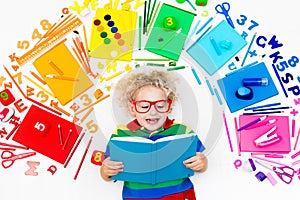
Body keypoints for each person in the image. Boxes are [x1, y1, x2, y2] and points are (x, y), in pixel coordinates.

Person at [100, 68, 208, 200]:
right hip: (136, 197)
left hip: (178, 195)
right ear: (132, 108)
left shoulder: (183, 131)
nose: (153, 112)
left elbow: (201, 163)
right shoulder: (121, 134)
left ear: (169, 106)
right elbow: (106, 173)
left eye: (161, 106)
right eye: (145, 106)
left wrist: (202, 163)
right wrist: (106, 170)